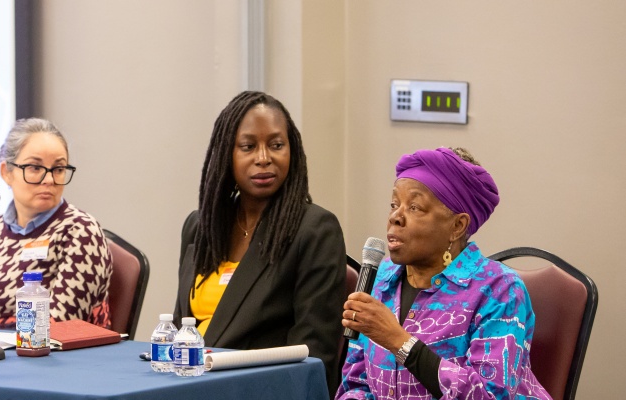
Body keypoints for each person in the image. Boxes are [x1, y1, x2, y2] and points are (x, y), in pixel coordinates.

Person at [337, 147, 550, 399]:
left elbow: (490, 394)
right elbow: (356, 383)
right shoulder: (382, 278)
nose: (395, 216)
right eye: (394, 204)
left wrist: (399, 341)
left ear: (457, 226)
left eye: (414, 207)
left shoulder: (500, 291)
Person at [174, 91, 346, 395]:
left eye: (276, 145)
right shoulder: (201, 226)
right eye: (248, 146)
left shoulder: (315, 230)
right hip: (187, 386)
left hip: (255, 391)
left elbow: (314, 355)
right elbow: (180, 330)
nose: (264, 158)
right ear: (228, 153)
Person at [0, 118, 112, 329]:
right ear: (6, 173)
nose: (49, 179)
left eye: (58, 169)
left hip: (63, 359)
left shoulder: (81, 231)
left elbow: (59, 324)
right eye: (35, 167)